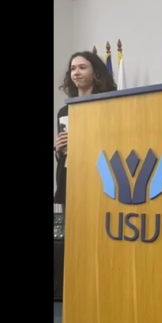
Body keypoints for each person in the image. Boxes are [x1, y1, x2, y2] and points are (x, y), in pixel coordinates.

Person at [55, 51, 117, 214]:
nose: (76, 72)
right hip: (69, 180)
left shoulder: (109, 106)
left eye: (82, 67)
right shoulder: (64, 112)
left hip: (99, 177)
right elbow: (62, 155)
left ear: (96, 73)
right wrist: (58, 149)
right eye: (73, 68)